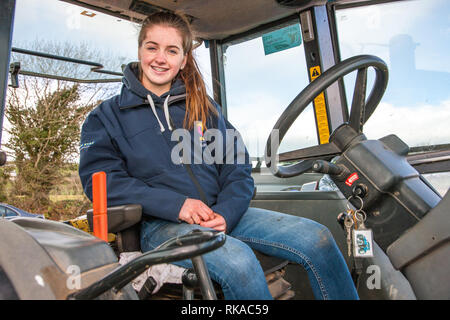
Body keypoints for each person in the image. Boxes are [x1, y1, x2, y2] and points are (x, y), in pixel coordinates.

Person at [79, 11, 358, 300]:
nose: (160, 58)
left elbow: (237, 167)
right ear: (140, 50)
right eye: (152, 47)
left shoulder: (203, 107)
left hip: (222, 214)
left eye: (171, 50)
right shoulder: (106, 117)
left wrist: (227, 213)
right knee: (238, 262)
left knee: (318, 238)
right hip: (161, 225)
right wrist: (177, 205)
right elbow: (103, 183)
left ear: (183, 59)